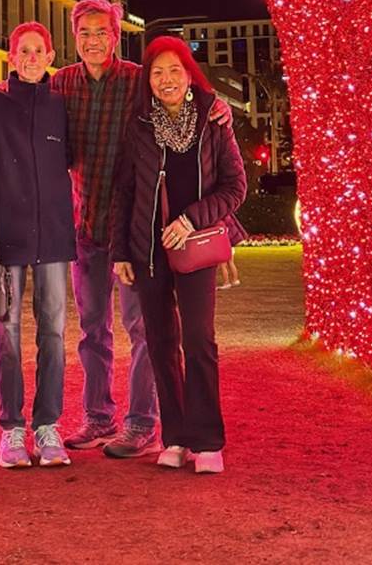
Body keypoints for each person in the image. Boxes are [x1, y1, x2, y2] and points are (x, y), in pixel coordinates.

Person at [112, 35, 246, 475]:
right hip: (147, 250)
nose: (166, 79)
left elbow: (235, 187)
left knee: (199, 340)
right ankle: (175, 437)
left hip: (195, 246)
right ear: (147, 81)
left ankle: (207, 440)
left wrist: (191, 219)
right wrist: (121, 252)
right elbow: (124, 192)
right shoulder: (138, 126)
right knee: (161, 343)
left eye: (174, 70)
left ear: (189, 75)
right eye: (157, 73)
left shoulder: (214, 120)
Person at [51, 0, 158, 457]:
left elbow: (184, 97)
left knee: (141, 327)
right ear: (74, 38)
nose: (93, 41)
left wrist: (218, 112)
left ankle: (141, 422)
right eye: (84, 34)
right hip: (85, 224)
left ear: (116, 36)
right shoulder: (62, 84)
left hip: (131, 230)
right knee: (92, 329)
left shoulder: (137, 80)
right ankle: (97, 416)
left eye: (101, 33)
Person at [0, 21, 75, 469]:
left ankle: (47, 424)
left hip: (54, 235)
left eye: (39, 51)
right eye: (23, 51)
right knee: (8, 335)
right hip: (7, 239)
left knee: (53, 332)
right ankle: (11, 428)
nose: (31, 58)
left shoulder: (62, 106)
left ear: (50, 57)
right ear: (11, 57)